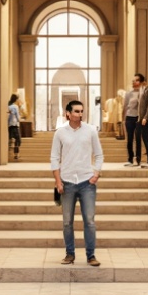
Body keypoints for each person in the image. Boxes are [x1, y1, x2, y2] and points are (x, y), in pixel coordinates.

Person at [51, 98, 103, 266]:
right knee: (67, 222)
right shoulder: (60, 133)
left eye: (81, 111)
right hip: (67, 183)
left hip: (87, 182)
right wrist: (58, 181)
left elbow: (99, 154)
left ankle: (91, 256)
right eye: (76, 111)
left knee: (89, 221)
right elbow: (54, 158)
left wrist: (96, 174)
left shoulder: (90, 131)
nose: (80, 114)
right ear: (68, 113)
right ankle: (69, 254)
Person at [122, 76, 142, 165]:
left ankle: (138, 159)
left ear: (141, 82)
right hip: (129, 117)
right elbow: (125, 106)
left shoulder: (143, 93)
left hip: (139, 118)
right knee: (130, 139)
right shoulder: (128, 93)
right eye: (133, 81)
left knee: (138, 139)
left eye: (136, 81)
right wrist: (123, 119)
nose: (134, 82)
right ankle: (130, 159)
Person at [6, 92, 22, 160]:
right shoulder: (15, 107)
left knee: (10, 140)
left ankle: (7, 154)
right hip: (15, 125)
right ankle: (16, 155)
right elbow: (18, 118)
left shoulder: (8, 106)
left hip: (9, 125)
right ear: (16, 99)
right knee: (18, 140)